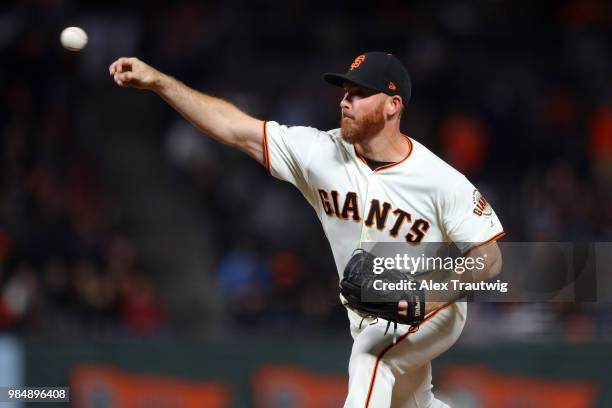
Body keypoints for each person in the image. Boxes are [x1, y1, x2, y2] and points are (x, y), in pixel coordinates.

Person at [109, 51, 505, 408]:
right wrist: (159, 81)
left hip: (436, 306)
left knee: (373, 354)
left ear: (392, 105)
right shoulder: (319, 152)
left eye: (359, 93)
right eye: (344, 91)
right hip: (370, 314)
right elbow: (233, 128)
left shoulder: (440, 179)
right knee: (413, 402)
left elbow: (489, 259)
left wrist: (426, 296)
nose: (344, 100)